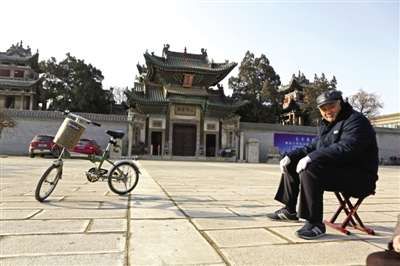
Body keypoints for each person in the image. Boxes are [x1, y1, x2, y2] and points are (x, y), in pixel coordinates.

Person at [267, 89, 379, 240]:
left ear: (341, 103)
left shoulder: (356, 121)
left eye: (331, 106)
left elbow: (347, 148)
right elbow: (312, 146)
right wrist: (290, 156)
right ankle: (289, 209)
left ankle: (314, 223)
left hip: (360, 177)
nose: (328, 111)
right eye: (323, 109)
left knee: (311, 167)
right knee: (292, 163)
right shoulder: (326, 125)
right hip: (339, 171)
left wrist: (312, 157)